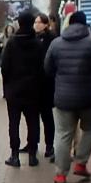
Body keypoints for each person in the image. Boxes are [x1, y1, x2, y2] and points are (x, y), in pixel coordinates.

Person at [44, 11, 91, 183]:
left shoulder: (56, 43)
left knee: (63, 134)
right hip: (87, 97)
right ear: (85, 24)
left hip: (63, 98)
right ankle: (80, 162)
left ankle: (60, 175)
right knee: (89, 128)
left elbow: (48, 68)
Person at [0, 11, 47, 167]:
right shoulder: (38, 44)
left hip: (14, 91)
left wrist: (7, 85)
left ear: (19, 23)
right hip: (33, 91)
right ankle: (32, 155)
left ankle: (15, 155)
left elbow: (4, 67)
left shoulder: (12, 43)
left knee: (13, 123)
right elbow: (43, 68)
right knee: (33, 122)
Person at [34, 14, 58, 160]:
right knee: (33, 117)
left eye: (38, 22)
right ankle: (33, 143)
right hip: (34, 84)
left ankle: (49, 145)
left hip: (47, 83)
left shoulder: (52, 39)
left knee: (47, 116)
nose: (36, 25)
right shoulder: (32, 38)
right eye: (35, 22)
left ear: (45, 24)